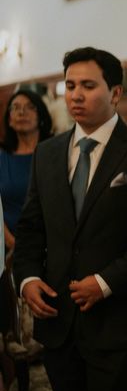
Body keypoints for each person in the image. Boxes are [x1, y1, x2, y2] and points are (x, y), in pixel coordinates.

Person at [12, 47, 127, 391]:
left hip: (118, 324)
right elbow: (30, 228)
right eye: (70, 84)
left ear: (116, 93)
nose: (75, 94)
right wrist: (27, 279)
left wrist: (105, 283)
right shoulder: (48, 153)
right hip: (58, 324)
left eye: (88, 85)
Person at [0, 90, 52, 336]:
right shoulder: (2, 158)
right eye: (15, 107)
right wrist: (12, 242)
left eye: (29, 107)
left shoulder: (56, 152)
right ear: (8, 118)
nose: (21, 112)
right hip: (8, 245)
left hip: (52, 244)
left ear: (41, 115)